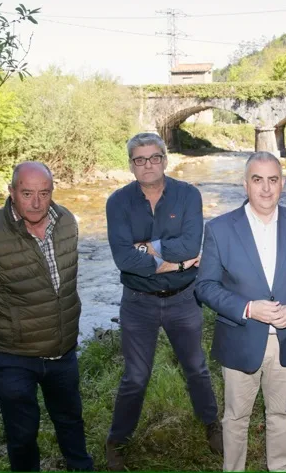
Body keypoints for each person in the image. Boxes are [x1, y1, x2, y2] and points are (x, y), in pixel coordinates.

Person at [0, 161, 94, 472]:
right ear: (11, 192)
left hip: (62, 351)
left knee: (71, 420)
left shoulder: (67, 221)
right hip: (12, 355)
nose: (37, 202)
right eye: (27, 193)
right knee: (22, 434)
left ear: (52, 192)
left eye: (44, 193)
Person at [196, 151, 286, 472]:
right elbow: (205, 286)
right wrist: (248, 308)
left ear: (282, 183)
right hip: (240, 339)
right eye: (258, 180)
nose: (266, 189)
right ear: (245, 184)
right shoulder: (220, 229)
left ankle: (279, 468)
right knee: (236, 418)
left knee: (280, 414)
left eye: (273, 180)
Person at [105, 132, 222, 470]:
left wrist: (148, 247)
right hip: (137, 303)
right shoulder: (117, 202)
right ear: (130, 165)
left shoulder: (188, 195)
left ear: (165, 160)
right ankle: (117, 440)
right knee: (135, 376)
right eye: (139, 159)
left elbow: (190, 245)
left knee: (197, 368)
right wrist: (175, 260)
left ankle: (211, 424)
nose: (148, 165)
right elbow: (124, 259)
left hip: (183, 300)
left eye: (154, 157)